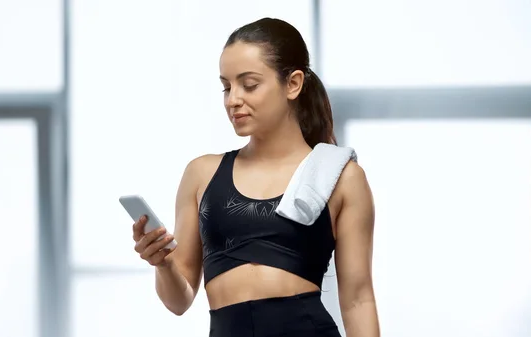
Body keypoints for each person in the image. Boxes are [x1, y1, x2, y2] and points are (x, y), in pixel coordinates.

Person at [132, 17, 379, 337]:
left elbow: (358, 299)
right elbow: (179, 301)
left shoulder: (340, 177)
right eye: (226, 86)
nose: (233, 99)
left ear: (293, 84)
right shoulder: (201, 174)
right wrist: (163, 263)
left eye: (249, 85)